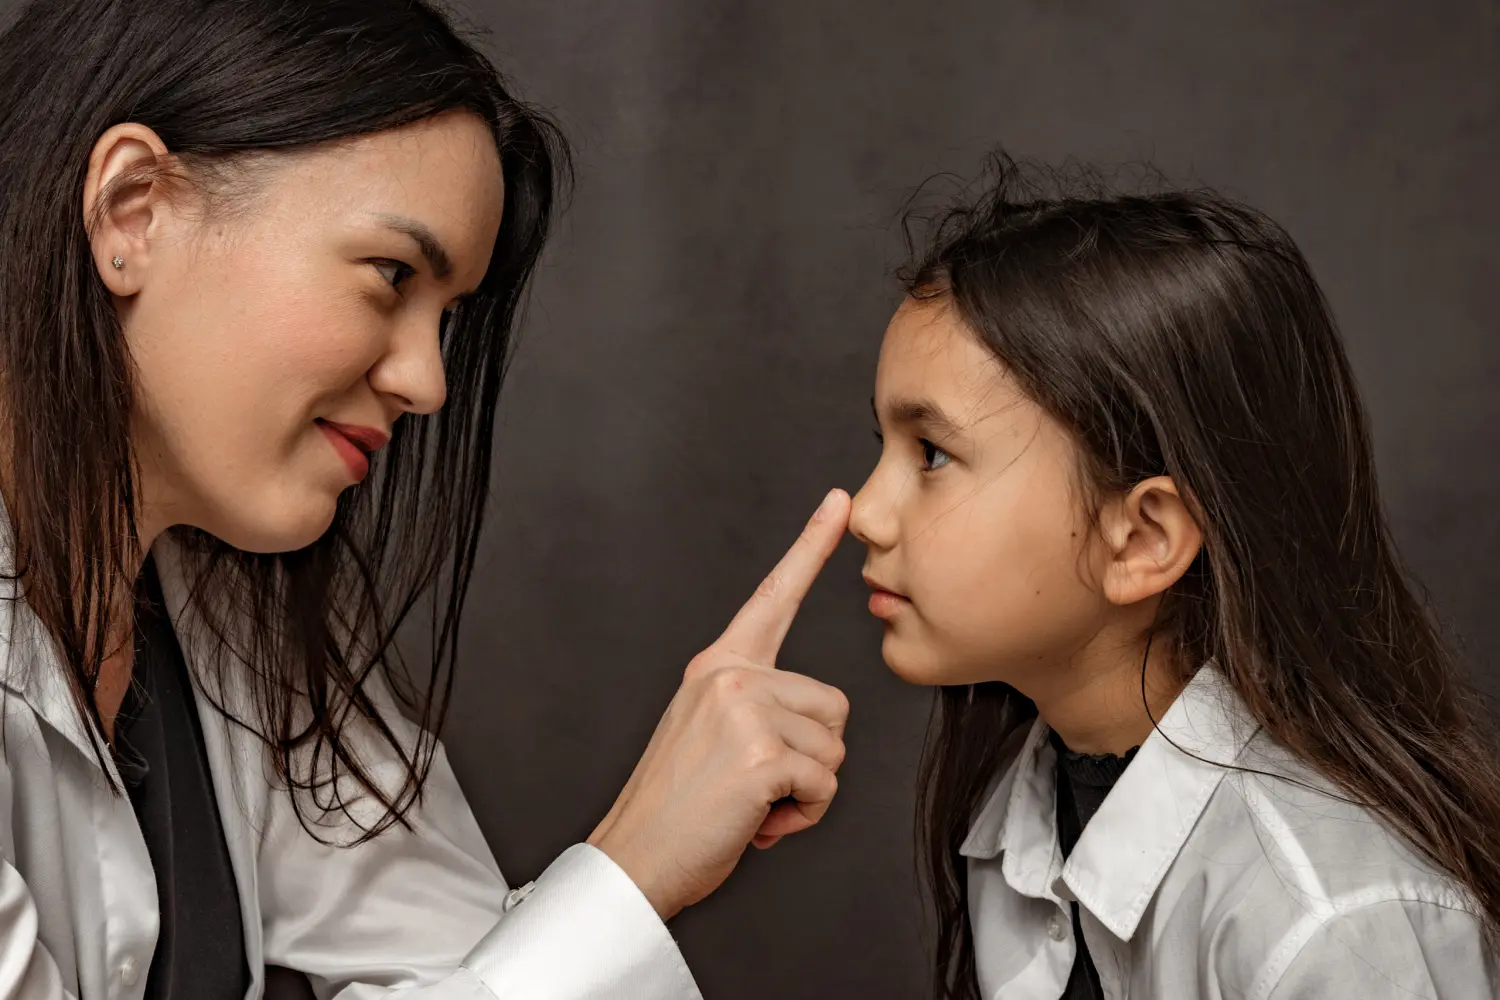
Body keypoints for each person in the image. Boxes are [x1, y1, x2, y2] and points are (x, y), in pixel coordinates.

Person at [0, 1, 853, 997]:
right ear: (133, 212)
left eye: (445, 316)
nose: (427, 381)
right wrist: (632, 866)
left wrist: (633, 870)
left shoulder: (226, 617)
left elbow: (464, 965)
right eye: (390, 274)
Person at [849, 157, 1500, 999]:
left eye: (933, 454)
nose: (864, 512)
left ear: (1143, 539)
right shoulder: (1021, 819)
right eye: (886, 447)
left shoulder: (1333, 929)